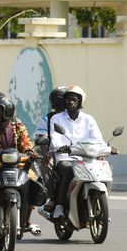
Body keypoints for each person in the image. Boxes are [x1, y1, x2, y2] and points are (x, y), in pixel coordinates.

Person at [0, 97, 39, 235]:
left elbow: (26, 143)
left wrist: (30, 152)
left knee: (33, 180)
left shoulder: (19, 127)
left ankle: (27, 220)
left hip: (19, 164)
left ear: (8, 112)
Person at [48, 85, 112, 219]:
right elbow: (55, 138)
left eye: (74, 100)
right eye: (68, 100)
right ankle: (60, 206)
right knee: (71, 170)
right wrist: (61, 147)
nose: (70, 102)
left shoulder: (88, 119)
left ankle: (102, 207)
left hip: (87, 158)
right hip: (66, 157)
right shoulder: (57, 118)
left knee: (104, 168)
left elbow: (97, 138)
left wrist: (107, 148)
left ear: (80, 102)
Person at [34, 86, 68, 215]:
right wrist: (45, 152)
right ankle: (53, 197)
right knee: (46, 163)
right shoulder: (46, 119)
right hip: (54, 152)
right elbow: (42, 137)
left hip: (75, 153)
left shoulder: (76, 117)